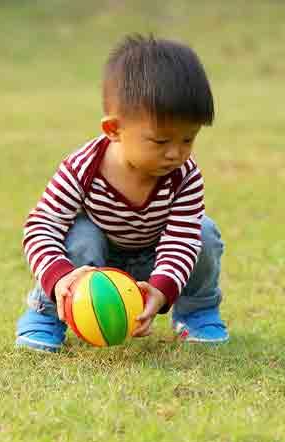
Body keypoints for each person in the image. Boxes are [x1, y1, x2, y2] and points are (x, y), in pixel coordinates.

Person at [15, 34, 228, 352]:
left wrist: (160, 290)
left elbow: (181, 239)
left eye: (188, 139)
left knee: (203, 233)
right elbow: (41, 227)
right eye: (160, 141)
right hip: (93, 268)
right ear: (113, 130)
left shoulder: (183, 176)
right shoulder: (82, 169)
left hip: (153, 266)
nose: (175, 153)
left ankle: (197, 312)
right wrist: (60, 278)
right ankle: (48, 315)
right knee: (82, 236)